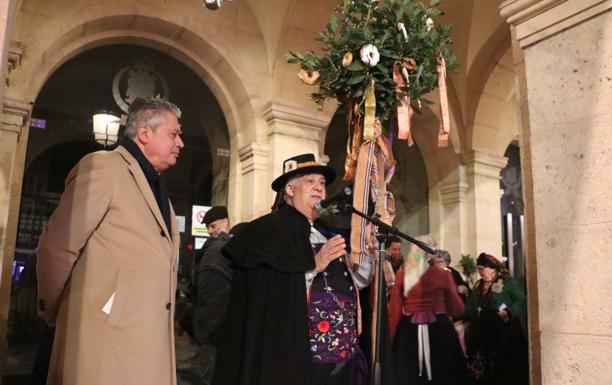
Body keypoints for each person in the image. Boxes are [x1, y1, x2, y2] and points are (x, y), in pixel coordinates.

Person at [35, 97, 184, 385]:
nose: (180, 143)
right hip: (105, 340)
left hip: (142, 338)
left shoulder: (156, 186)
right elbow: (58, 245)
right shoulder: (104, 167)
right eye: (174, 134)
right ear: (144, 134)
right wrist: (54, 307)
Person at [212, 153, 377, 385]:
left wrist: (368, 251)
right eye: (310, 181)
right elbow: (269, 293)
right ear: (290, 189)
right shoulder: (269, 231)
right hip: (299, 354)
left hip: (342, 353)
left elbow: (358, 282)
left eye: (322, 183)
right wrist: (315, 265)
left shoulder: (327, 231)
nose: (319, 188)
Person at [389, 248, 468, 385]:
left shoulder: (402, 275)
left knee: (409, 373)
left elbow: (394, 311)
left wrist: (392, 336)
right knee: (445, 371)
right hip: (439, 327)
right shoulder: (443, 274)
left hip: (409, 330)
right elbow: (456, 307)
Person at [459, 253, 528, 385]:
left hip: (503, 330)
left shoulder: (508, 283)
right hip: (482, 330)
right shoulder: (479, 285)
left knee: (502, 362)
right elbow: (470, 306)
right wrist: (454, 316)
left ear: (492, 268)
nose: (479, 272)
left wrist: (509, 311)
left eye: (482, 269)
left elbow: (521, 299)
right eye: (478, 269)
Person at [192, 206, 237, 384]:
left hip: (210, 324)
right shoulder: (219, 249)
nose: (211, 232)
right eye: (209, 227)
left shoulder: (212, 248)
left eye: (213, 226)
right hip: (215, 326)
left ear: (226, 221)